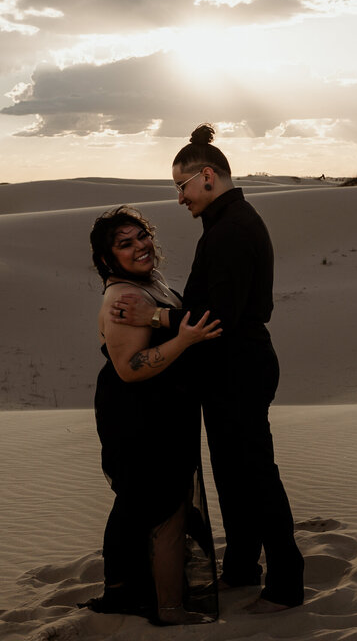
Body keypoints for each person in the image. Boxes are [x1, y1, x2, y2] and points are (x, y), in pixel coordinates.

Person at [111, 124, 305, 613]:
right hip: (229, 367)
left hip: (239, 366)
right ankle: (243, 566)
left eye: (181, 186)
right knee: (234, 475)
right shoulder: (226, 223)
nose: (179, 198)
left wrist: (152, 316)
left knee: (255, 474)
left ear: (208, 176)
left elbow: (212, 317)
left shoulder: (233, 231)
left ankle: (286, 581)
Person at [81, 206, 222, 625]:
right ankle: (170, 609)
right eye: (126, 244)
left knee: (164, 503)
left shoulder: (145, 283)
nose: (140, 246)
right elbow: (129, 367)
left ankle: (151, 595)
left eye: (142, 236)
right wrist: (184, 340)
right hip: (140, 419)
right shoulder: (124, 297)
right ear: (108, 259)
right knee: (165, 510)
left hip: (161, 412)